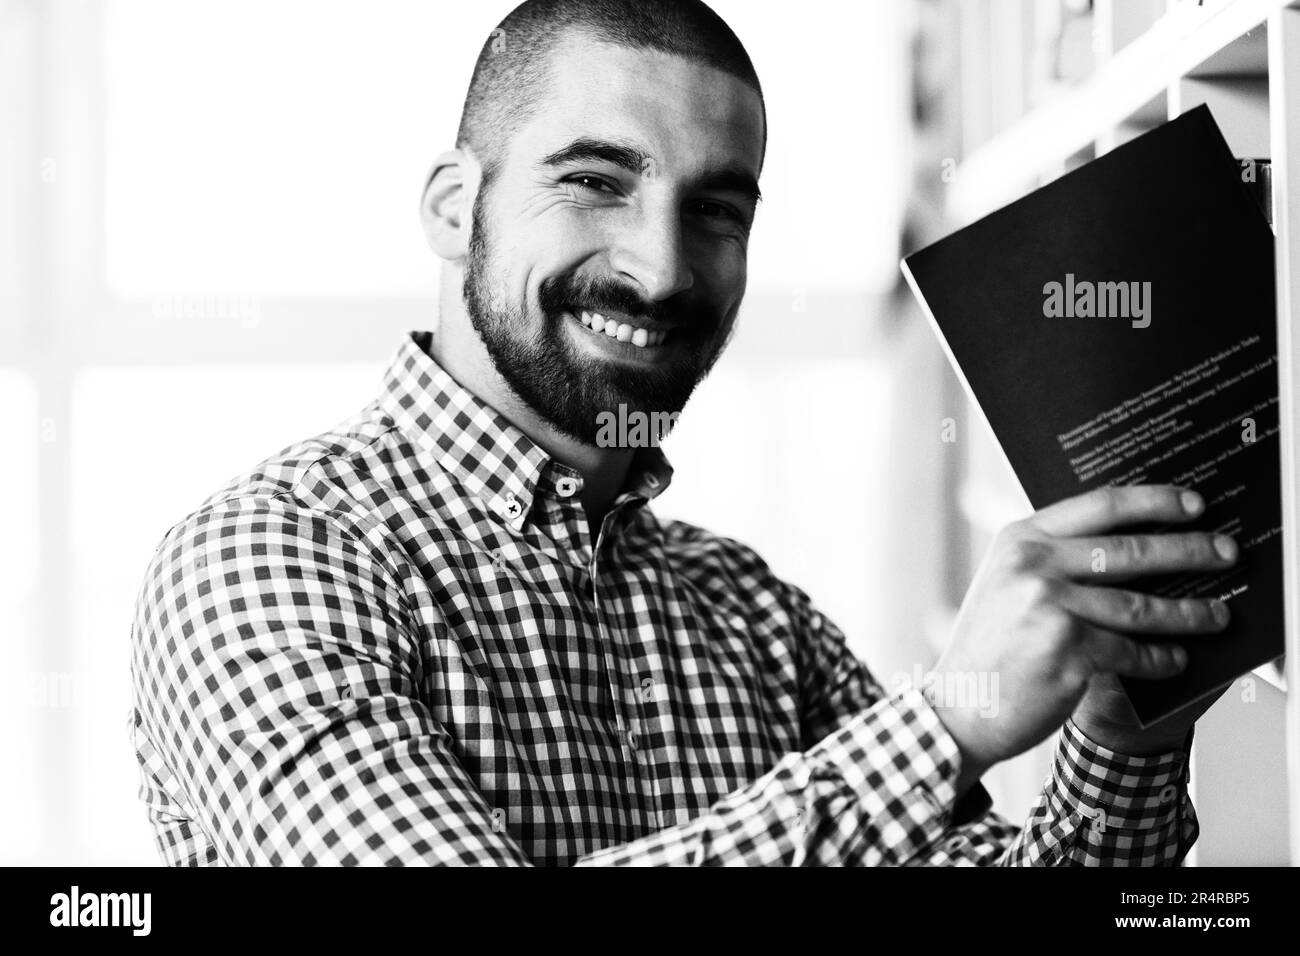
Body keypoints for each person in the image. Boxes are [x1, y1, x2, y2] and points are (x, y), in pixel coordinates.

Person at [128, 0, 1236, 866]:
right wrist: (940, 724)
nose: (659, 268)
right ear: (452, 207)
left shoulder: (748, 610)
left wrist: (1125, 729)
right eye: (596, 181)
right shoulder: (260, 560)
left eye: (716, 210)